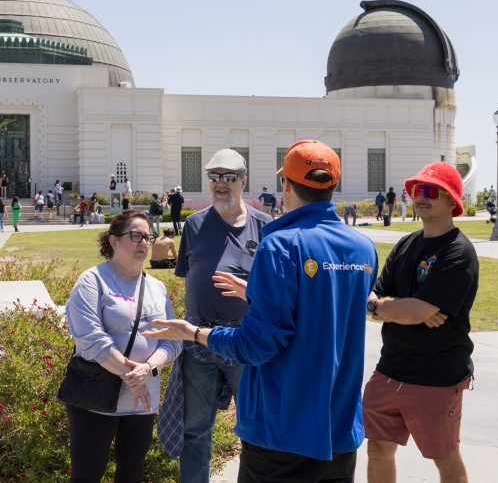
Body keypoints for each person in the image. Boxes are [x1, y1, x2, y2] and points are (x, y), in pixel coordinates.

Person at [145, 140, 377, 483]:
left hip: (282, 429)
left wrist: (193, 333)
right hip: (339, 427)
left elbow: (256, 344)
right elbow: (318, 308)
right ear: (333, 185)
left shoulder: (280, 243)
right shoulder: (362, 248)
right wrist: (255, 290)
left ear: (286, 184)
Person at [155, 148, 271, 483]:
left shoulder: (265, 227)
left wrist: (249, 288)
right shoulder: (193, 224)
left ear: (243, 181)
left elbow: (279, 290)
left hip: (245, 343)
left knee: (254, 429)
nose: (221, 184)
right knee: (195, 430)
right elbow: (188, 274)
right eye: (214, 177)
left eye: (229, 177)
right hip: (198, 342)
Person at [362, 162, 479, 483]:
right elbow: (375, 298)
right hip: (389, 370)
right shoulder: (405, 245)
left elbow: (413, 312)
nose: (420, 197)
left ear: (451, 199)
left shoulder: (459, 252)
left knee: (444, 456)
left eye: (430, 191)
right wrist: (390, 306)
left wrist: (400, 308)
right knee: (378, 449)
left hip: (436, 378)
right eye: (416, 190)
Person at [64, 210, 182, 482]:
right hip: (96, 398)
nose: (143, 243)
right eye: (135, 235)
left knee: (132, 471)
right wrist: (133, 377)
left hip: (143, 400)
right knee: (87, 474)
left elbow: (172, 340)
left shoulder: (156, 287)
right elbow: (92, 339)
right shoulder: (92, 281)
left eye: (147, 237)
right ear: (114, 241)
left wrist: (149, 369)